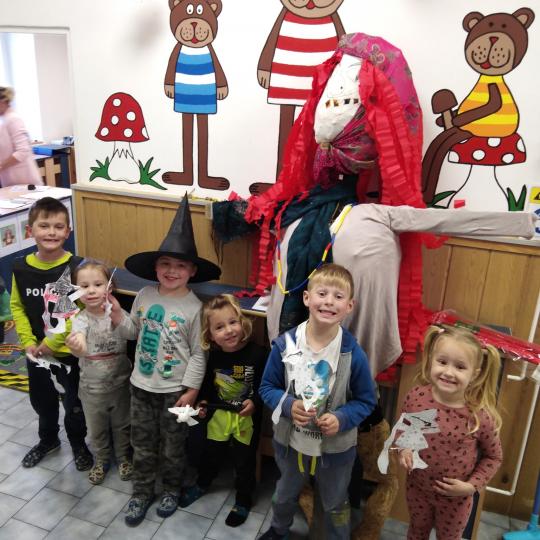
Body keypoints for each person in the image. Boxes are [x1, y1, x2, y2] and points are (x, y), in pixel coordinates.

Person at [112, 194, 221, 527]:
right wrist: (117, 315)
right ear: (155, 267)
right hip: (140, 387)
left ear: (192, 271)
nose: (172, 271)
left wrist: (191, 390)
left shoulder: (195, 307)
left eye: (181, 265)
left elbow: (199, 353)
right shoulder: (144, 295)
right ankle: (141, 492)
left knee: (174, 445)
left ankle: (171, 488)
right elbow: (133, 332)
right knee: (142, 443)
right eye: (165, 264)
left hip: (175, 393)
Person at [259, 263, 377, 540]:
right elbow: (266, 387)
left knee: (336, 504)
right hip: (291, 445)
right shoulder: (285, 345)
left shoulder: (353, 353)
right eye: (322, 293)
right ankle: (278, 530)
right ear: (307, 298)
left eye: (338, 296)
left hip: (336, 451)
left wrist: (342, 418)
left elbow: (366, 400)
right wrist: (288, 405)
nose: (329, 301)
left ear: (349, 306)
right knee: (284, 494)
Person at [396, 325, 503, 540]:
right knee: (416, 532)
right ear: (431, 361)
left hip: (456, 499)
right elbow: (405, 428)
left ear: (474, 374)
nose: (448, 372)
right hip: (418, 489)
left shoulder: (479, 416)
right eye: (442, 362)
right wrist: (404, 449)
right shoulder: (417, 397)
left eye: (460, 367)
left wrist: (471, 486)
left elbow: (494, 457)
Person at [10, 197, 92, 470]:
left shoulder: (76, 268)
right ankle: (48, 440)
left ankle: (78, 444)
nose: (51, 232)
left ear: (68, 231)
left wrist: (52, 342)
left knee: (74, 403)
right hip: (36, 353)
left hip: (68, 353)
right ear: (30, 230)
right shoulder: (20, 268)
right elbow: (17, 306)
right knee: (42, 400)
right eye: (44, 226)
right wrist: (29, 342)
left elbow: (79, 311)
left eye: (58, 227)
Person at [179, 294, 267, 527]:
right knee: (211, 454)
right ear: (210, 334)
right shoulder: (213, 357)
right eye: (219, 327)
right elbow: (208, 387)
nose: (228, 330)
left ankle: (244, 499)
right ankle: (202, 483)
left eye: (232, 322)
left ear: (242, 322)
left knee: (244, 462)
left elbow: (266, 387)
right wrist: (202, 403)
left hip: (246, 420)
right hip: (218, 417)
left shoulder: (258, 354)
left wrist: (255, 402)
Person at [66, 259, 133, 485]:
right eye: (84, 286)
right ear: (77, 291)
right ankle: (102, 460)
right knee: (97, 430)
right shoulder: (79, 320)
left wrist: (119, 315)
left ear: (109, 287)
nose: (91, 290)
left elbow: (132, 333)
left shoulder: (117, 313)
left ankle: (124, 458)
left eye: (97, 284)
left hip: (121, 386)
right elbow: (81, 346)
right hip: (91, 390)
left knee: (122, 426)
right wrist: (77, 347)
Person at [0, 86, 42, 187]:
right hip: (11, 182)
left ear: (3, 102)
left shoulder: (13, 119)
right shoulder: (4, 121)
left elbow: (22, 151)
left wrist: (1, 166)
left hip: (24, 182)